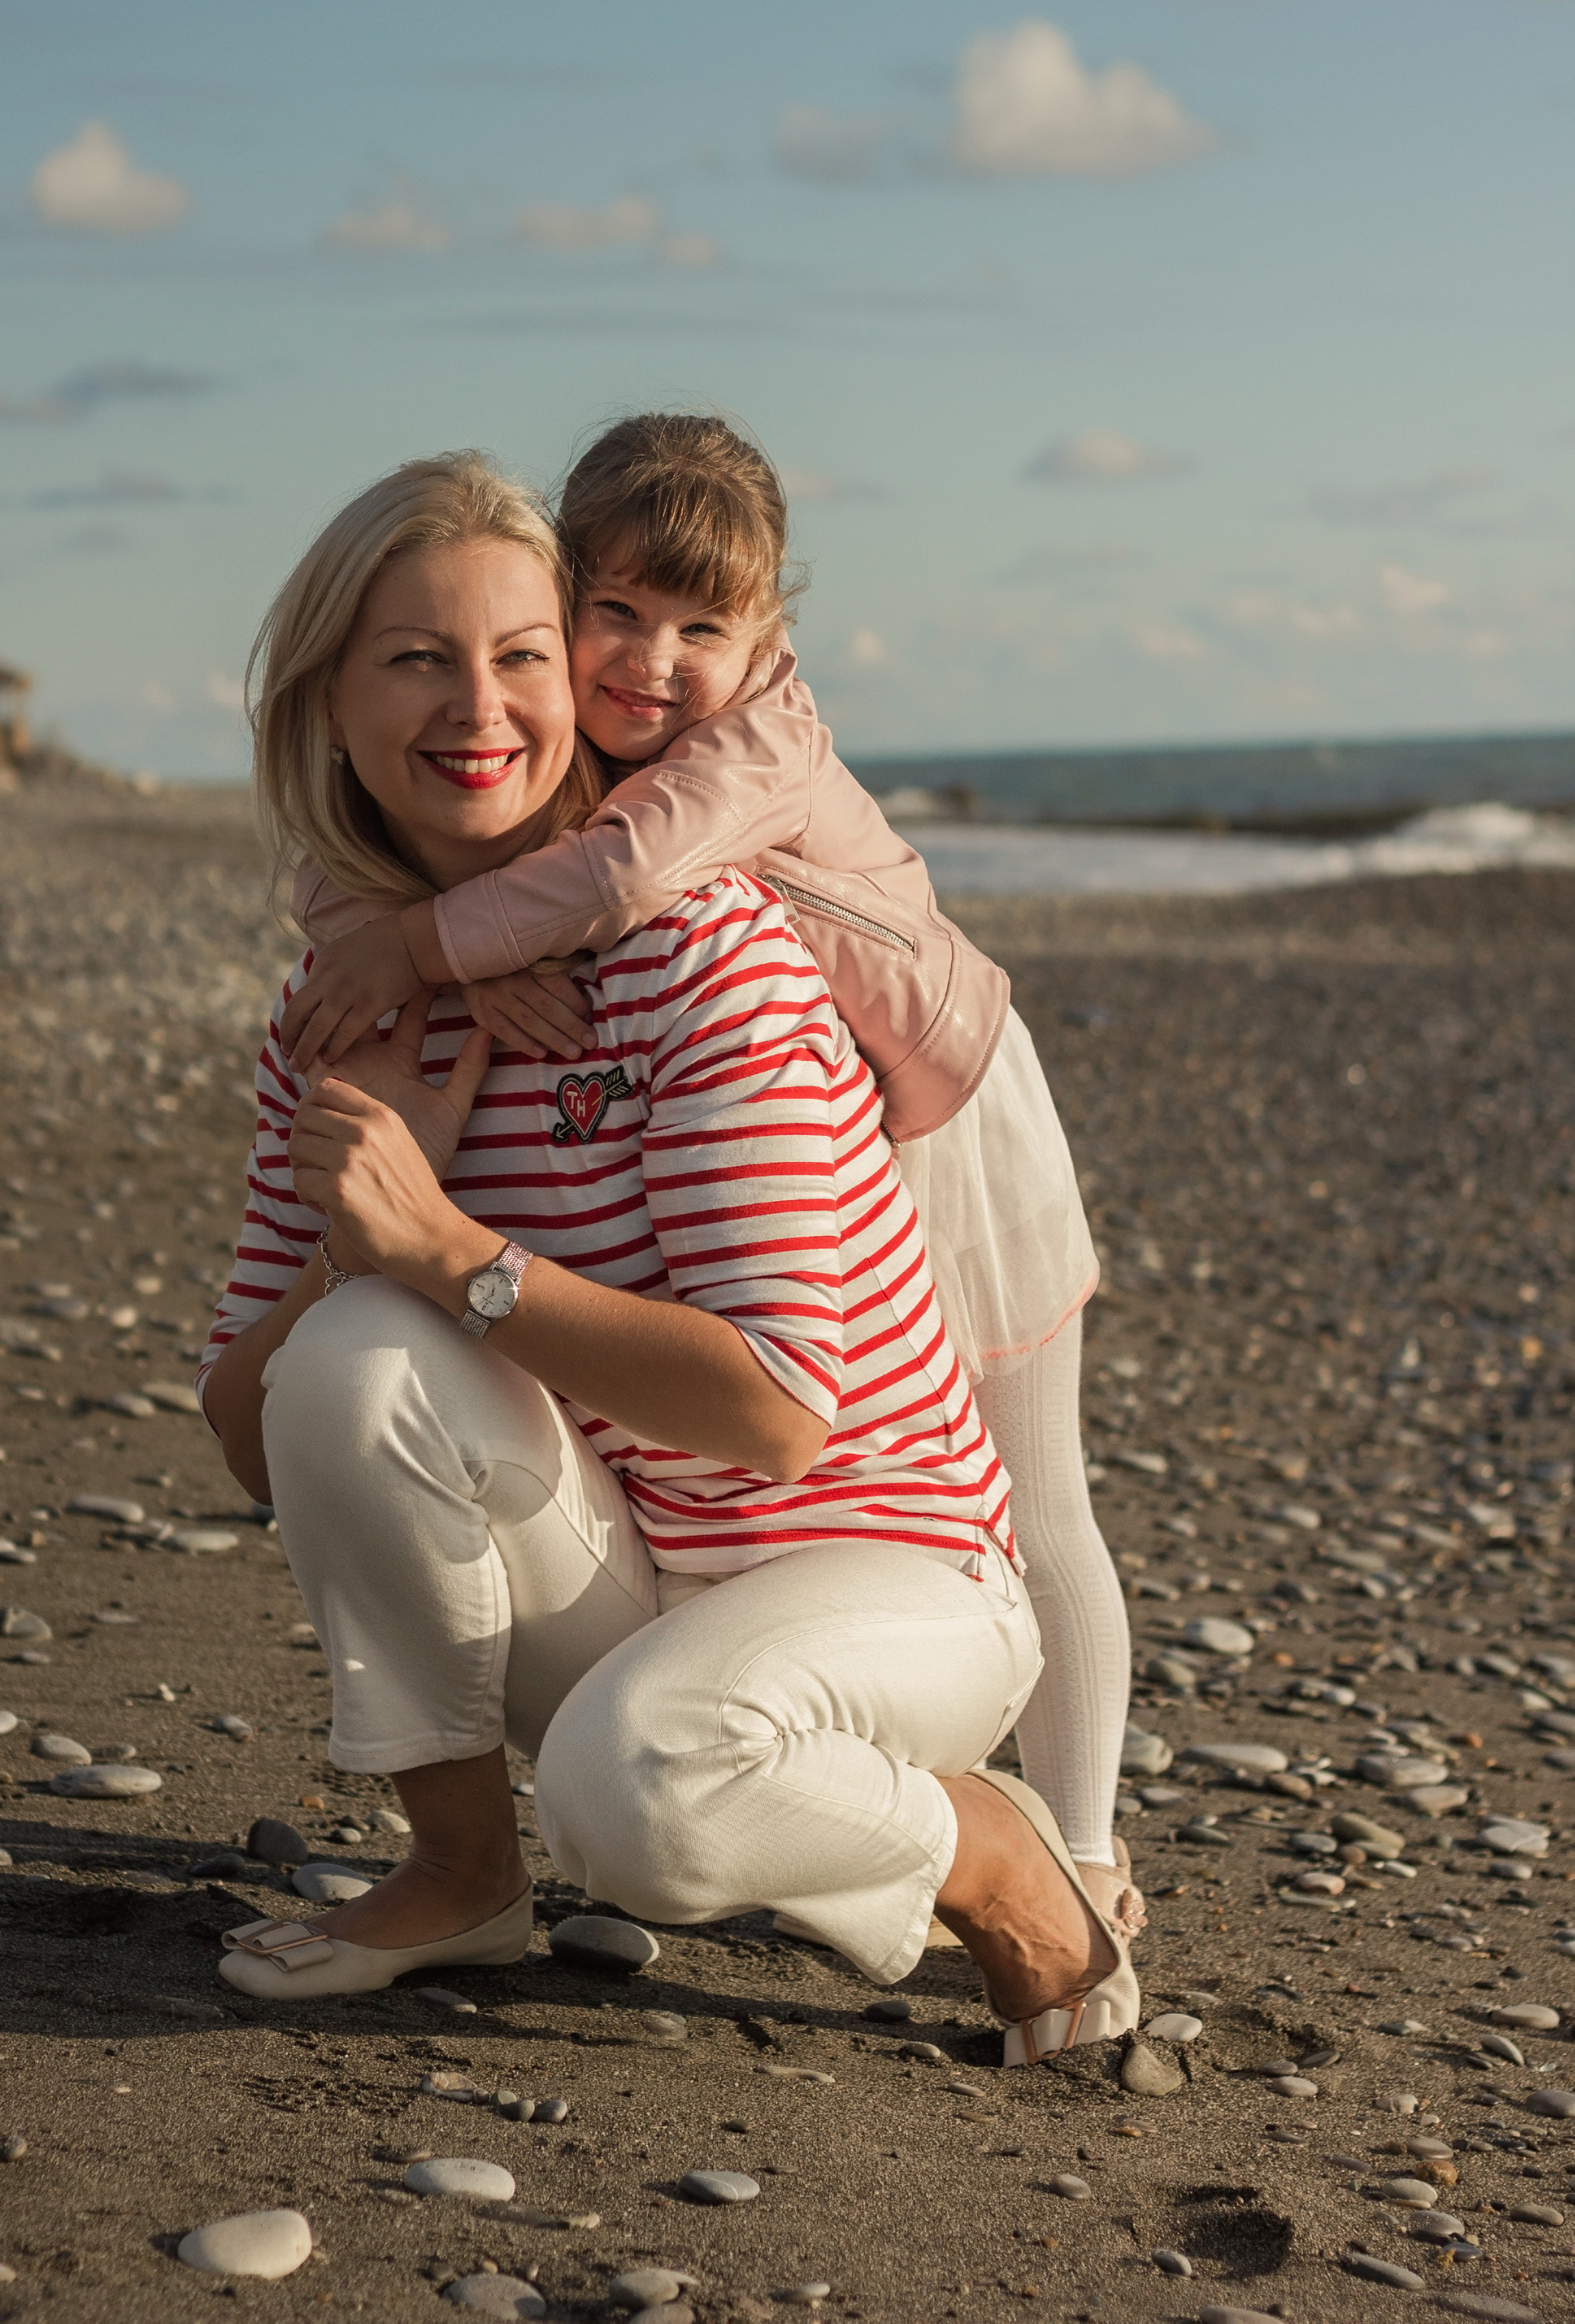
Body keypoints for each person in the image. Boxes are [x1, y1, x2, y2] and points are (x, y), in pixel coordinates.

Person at [198, 450, 1137, 2065]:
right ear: (327, 706)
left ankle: (992, 1845)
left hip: (881, 1577)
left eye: (518, 659)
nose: (474, 708)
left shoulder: (694, 947)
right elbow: (248, 1435)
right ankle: (461, 1871)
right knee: (348, 1357)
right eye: (414, 660)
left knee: (633, 1802)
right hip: (633, 1588)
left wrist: (448, 1248)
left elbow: (779, 1410)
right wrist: (379, 1226)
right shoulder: (342, 1001)